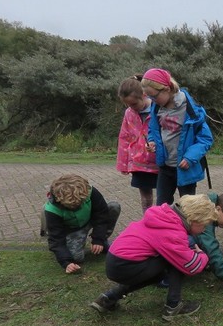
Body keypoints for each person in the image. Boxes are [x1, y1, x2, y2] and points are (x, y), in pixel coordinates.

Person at [90, 194, 217, 321]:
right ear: (193, 220)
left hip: (115, 261)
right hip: (125, 265)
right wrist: (202, 255)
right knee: (178, 261)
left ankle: (108, 298)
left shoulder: (165, 216)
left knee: (159, 273)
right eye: (204, 225)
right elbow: (191, 266)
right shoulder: (173, 231)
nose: (204, 229)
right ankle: (173, 306)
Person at [141, 68, 213, 206]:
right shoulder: (156, 108)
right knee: (161, 206)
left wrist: (190, 157)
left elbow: (205, 139)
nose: (152, 100)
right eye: (149, 97)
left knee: (187, 208)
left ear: (167, 89)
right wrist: (152, 142)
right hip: (165, 167)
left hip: (185, 168)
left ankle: (185, 228)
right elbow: (153, 129)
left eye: (154, 96)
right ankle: (165, 228)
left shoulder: (192, 110)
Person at [42, 174, 121, 274]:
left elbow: (101, 215)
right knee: (76, 257)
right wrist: (66, 262)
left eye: (80, 202)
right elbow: (56, 239)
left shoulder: (90, 191)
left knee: (113, 206)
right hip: (73, 229)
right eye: (72, 205)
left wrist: (98, 239)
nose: (77, 207)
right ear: (59, 200)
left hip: (90, 219)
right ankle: (75, 243)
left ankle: (102, 241)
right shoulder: (52, 210)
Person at [116, 75, 158, 214]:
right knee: (145, 197)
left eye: (134, 104)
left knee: (163, 196)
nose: (131, 107)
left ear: (144, 95)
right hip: (139, 163)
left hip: (158, 161)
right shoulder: (129, 113)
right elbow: (124, 137)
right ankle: (147, 220)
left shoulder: (158, 109)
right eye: (128, 105)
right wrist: (123, 163)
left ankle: (161, 221)